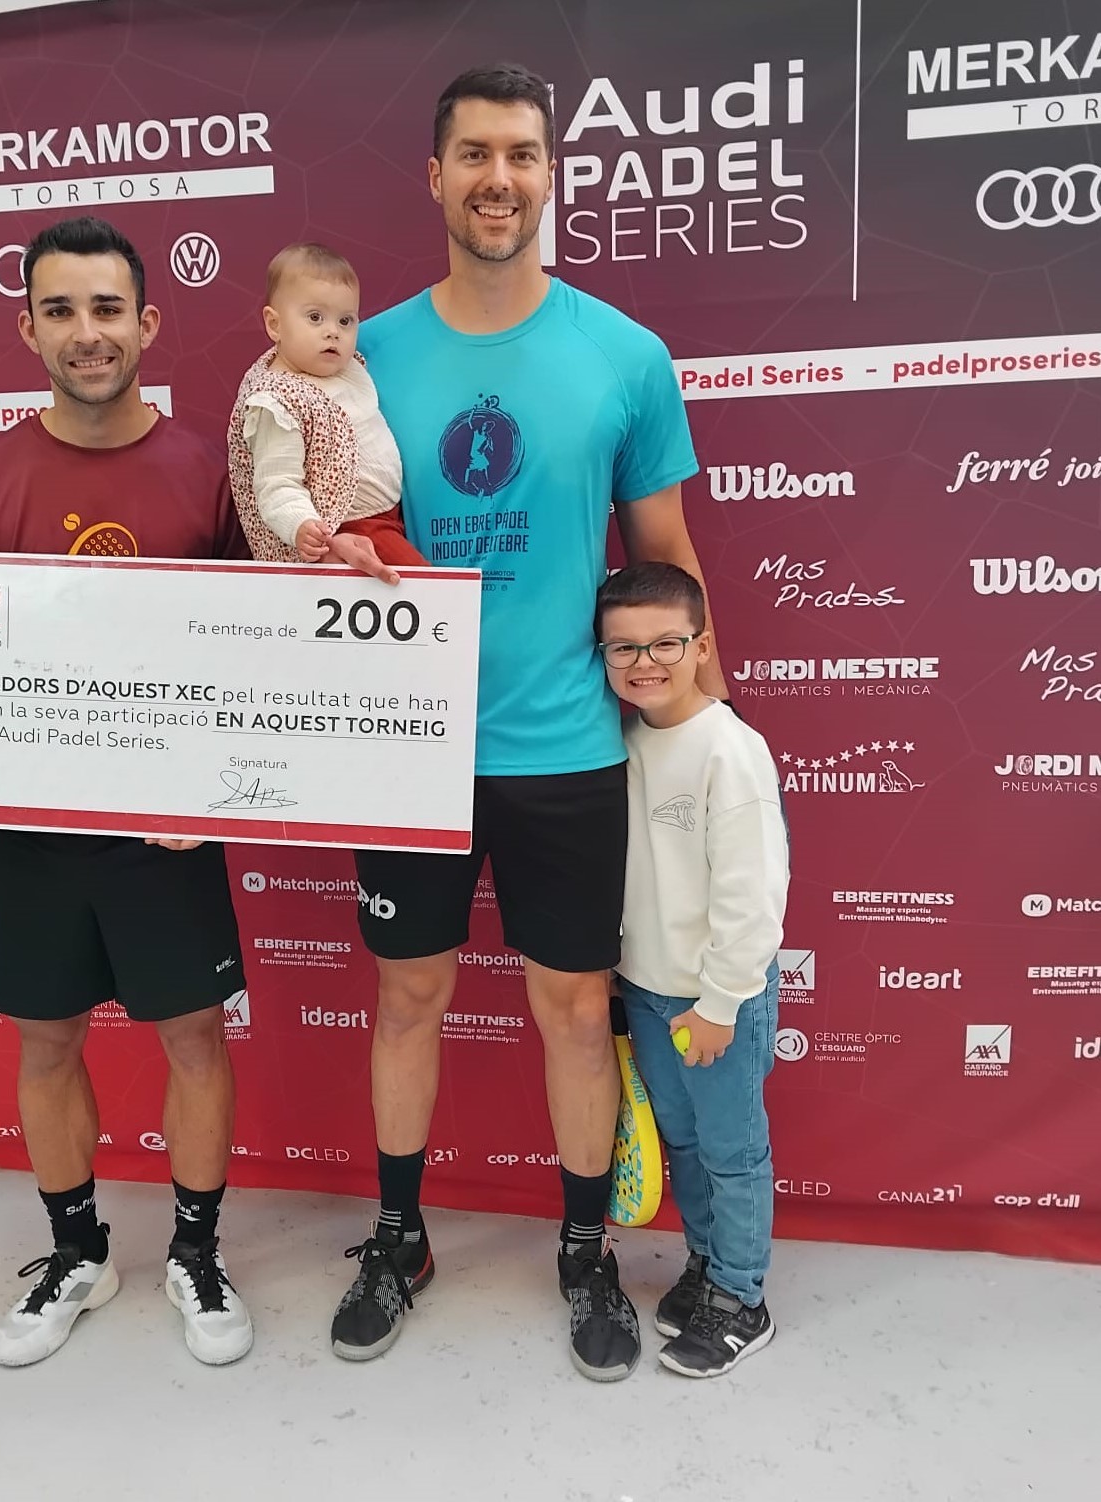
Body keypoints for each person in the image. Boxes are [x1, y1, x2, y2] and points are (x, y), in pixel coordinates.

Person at [329, 63, 733, 1381]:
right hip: (403, 752)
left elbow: (664, 564)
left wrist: (707, 736)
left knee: (572, 1007)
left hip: (566, 749)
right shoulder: (360, 357)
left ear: (549, 172)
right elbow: (295, 539)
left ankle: (581, 1248)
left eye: (521, 154)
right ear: (434, 177)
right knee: (408, 996)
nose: (498, 179)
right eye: (473, 156)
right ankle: (400, 1232)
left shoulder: (624, 355)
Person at [0, 215, 254, 1369]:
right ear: (28, 326)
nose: (89, 333)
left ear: (147, 322)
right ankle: (78, 1251)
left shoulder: (205, 470)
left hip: (167, 829)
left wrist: (213, 791)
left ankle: (195, 1248)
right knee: (45, 1040)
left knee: (191, 1038)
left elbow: (252, 658)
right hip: (35, 828)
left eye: (108, 309)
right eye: (63, 311)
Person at [598, 562, 787, 1379]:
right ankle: (708, 1266)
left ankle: (743, 1297)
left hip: (718, 1000)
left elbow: (753, 893)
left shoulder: (731, 751)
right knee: (682, 1140)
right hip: (645, 988)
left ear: (702, 645)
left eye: (666, 643)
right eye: (623, 647)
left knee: (732, 1151)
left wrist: (717, 1003)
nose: (645, 662)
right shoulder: (625, 738)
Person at [227, 242, 425, 576]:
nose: (332, 331)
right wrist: (301, 524)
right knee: (431, 594)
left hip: (391, 516)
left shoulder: (343, 373)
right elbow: (276, 483)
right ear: (274, 324)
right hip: (355, 530)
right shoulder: (276, 401)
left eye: (346, 320)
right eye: (315, 317)